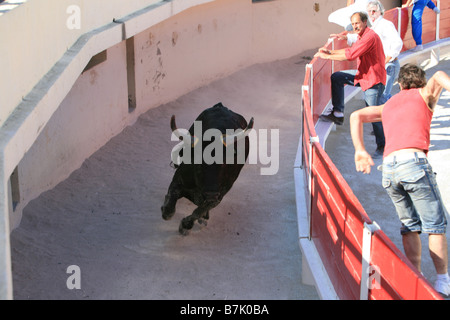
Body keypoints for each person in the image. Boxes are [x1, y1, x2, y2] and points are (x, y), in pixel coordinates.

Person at [349, 63, 450, 298]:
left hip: (390, 170)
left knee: (410, 227)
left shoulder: (389, 104)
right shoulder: (425, 94)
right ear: (421, 83)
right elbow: (439, 76)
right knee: (435, 226)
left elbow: (356, 115)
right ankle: (443, 281)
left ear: (401, 84)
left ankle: (415, 278)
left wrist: (359, 150)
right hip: (414, 163)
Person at [315, 11, 386, 157]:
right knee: (337, 77)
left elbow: (351, 55)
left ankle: (383, 147)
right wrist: (330, 53)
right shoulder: (364, 35)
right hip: (364, 76)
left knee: (373, 115)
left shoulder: (369, 37)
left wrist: (327, 56)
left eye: (357, 23)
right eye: (353, 24)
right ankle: (338, 114)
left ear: (365, 22)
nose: (355, 26)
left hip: (373, 81)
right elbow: (350, 50)